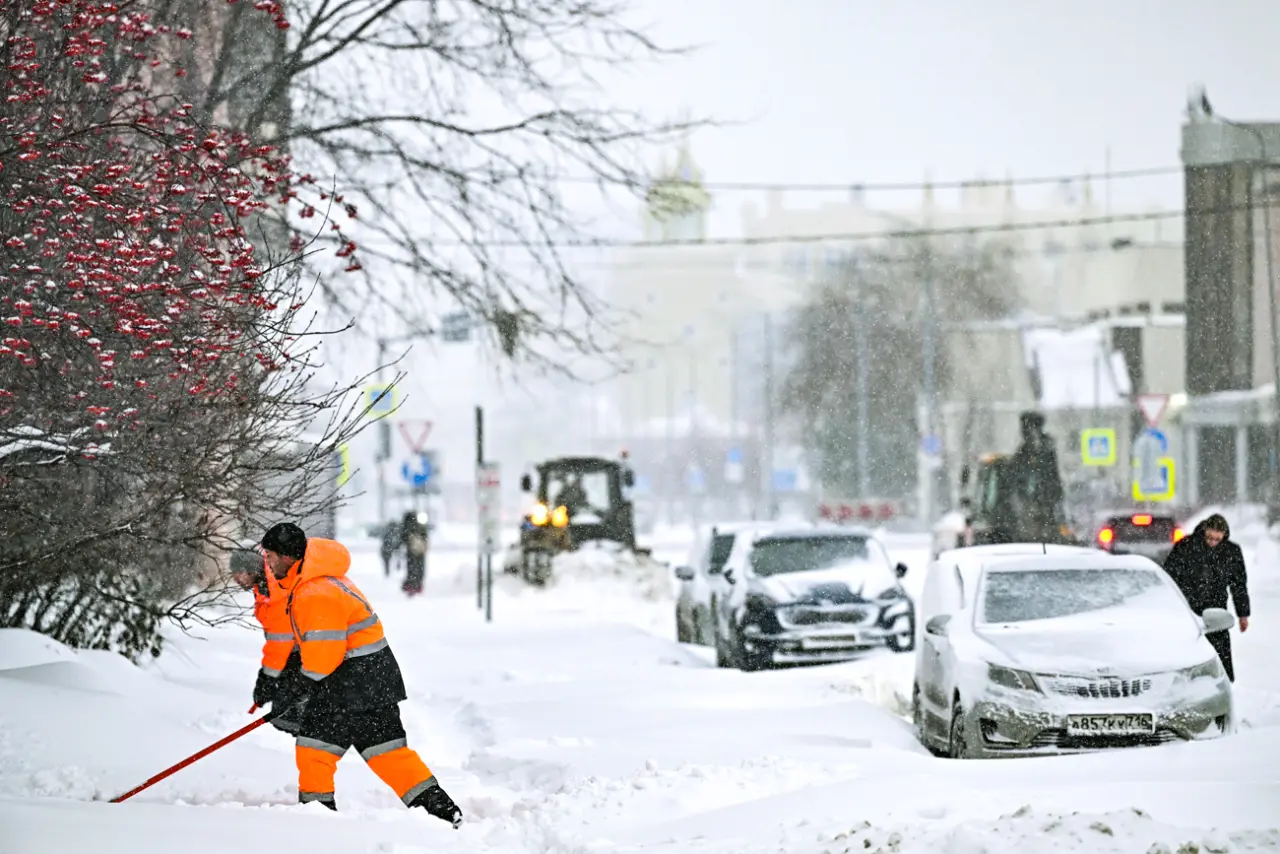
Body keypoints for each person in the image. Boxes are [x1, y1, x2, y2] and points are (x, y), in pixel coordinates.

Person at [257, 522, 463, 826]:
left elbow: (323, 657)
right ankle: (443, 811)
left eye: (270, 555)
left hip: (348, 684)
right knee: (388, 753)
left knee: (315, 750)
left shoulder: (315, 592)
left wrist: (295, 686)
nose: (268, 563)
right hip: (373, 679)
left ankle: (317, 820)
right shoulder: (322, 579)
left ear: (288, 557)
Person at [1162, 513, 1251, 681]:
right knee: (1187, 656)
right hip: (1188, 612)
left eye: (1217, 539)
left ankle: (1224, 684)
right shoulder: (1186, 546)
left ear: (1224, 536)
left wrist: (1243, 614)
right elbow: (1169, 578)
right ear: (1204, 531)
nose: (1212, 542)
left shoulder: (1231, 552)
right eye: (1210, 538)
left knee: (1220, 658)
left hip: (1216, 612)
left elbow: (1238, 585)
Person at [229, 548, 301, 734]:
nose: (236, 580)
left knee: (289, 717)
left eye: (238, 574)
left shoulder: (274, 589)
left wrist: (268, 677)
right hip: (295, 655)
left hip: (302, 655)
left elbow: (282, 638)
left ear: (250, 571)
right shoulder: (263, 588)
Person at [1008, 411, 1064, 540]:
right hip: (1037, 504)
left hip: (1042, 503)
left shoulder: (1043, 450)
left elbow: (1051, 477)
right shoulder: (1025, 452)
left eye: (1027, 428)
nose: (1024, 432)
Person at [400, 511, 429, 597]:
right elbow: (424, 536)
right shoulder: (418, 526)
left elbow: (403, 537)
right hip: (418, 551)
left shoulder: (407, 526)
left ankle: (412, 586)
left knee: (412, 568)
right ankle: (416, 585)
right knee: (419, 568)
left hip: (412, 550)